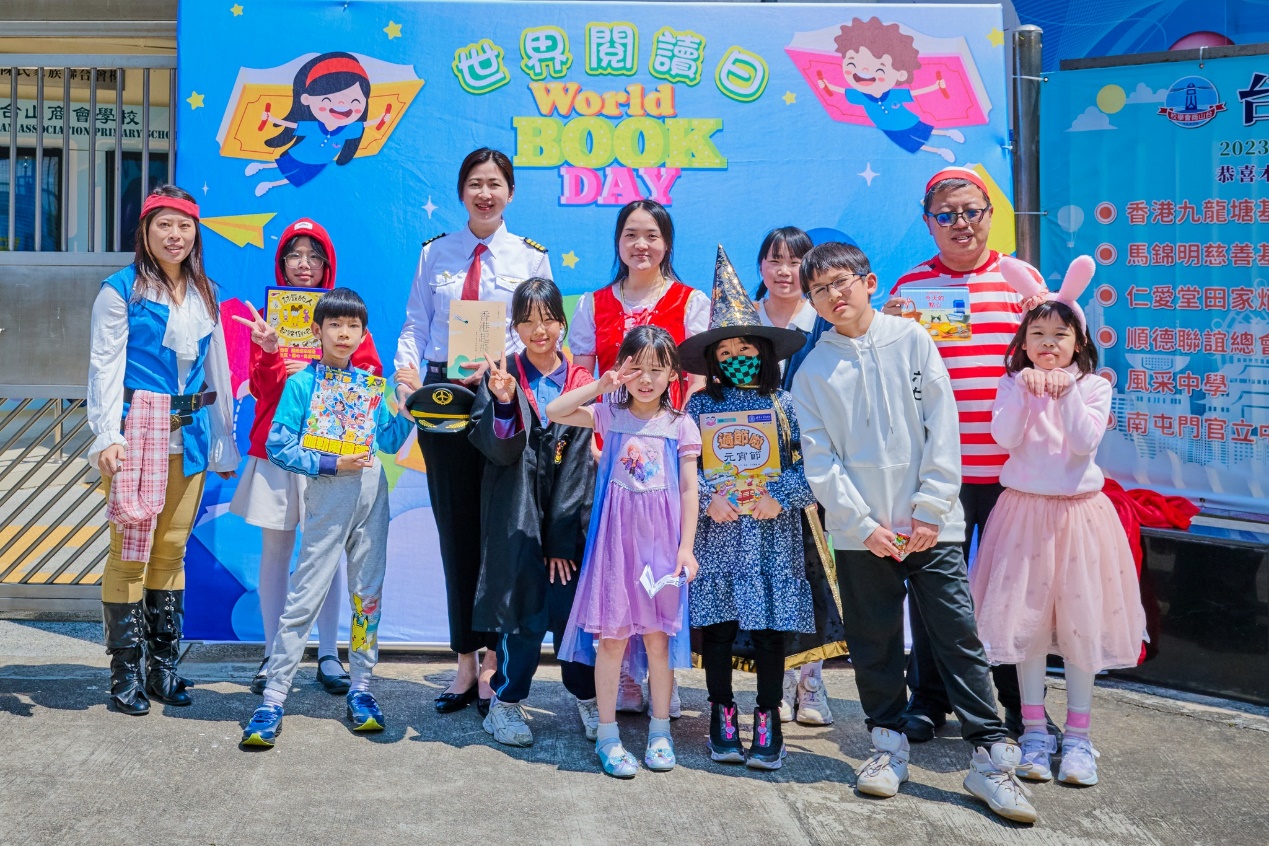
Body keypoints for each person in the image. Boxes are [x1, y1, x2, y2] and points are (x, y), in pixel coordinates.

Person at [791, 242, 1037, 824]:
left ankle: (989, 759)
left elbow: (941, 425)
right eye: (820, 289)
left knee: (957, 636)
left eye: (842, 281)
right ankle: (886, 747)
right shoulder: (812, 370)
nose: (834, 295)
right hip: (862, 535)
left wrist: (930, 508)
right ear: (812, 303)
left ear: (868, 282)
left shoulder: (913, 339)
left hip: (933, 527)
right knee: (873, 642)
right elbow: (821, 462)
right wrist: (863, 526)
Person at [970, 256, 1146, 787]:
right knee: (1023, 627)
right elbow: (1005, 438)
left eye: (1059, 335)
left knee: (1079, 626)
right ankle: (1033, 733)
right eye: (1038, 335)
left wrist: (1065, 393)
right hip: (1022, 513)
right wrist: (1026, 395)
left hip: (1078, 517)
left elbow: (1084, 442)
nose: (1048, 344)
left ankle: (1079, 738)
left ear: (1079, 342)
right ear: (1023, 342)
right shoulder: (1012, 383)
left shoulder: (1093, 386)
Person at [395, 148, 552, 716]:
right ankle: (464, 660)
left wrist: (507, 379)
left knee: (497, 533)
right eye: (475, 184)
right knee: (455, 531)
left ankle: (492, 660)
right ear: (462, 191)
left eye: (495, 184)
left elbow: (540, 331)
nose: (485, 194)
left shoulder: (531, 257)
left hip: (499, 394)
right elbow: (415, 324)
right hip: (442, 397)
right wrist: (405, 376)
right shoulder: (434, 252)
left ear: (510, 192)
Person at [885, 166, 1037, 741]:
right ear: (928, 223)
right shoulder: (910, 289)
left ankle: (1020, 705)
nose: (961, 224)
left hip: (1012, 472)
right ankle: (928, 699)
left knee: (1012, 592)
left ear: (991, 215)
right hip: (937, 474)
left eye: (972, 211)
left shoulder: (1021, 282)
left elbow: (1055, 352)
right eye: (946, 215)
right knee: (932, 590)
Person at [88, 185, 240, 716]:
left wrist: (224, 441)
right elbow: (104, 366)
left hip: (190, 435)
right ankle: (124, 674)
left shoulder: (205, 292)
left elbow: (218, 369)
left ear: (196, 232)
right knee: (130, 553)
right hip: (137, 433)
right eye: (164, 225)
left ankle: (163, 668)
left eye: (184, 226)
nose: (175, 236)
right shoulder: (120, 291)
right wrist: (107, 435)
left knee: (172, 550)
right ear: (146, 231)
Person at [240, 288, 414, 747]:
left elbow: (389, 441)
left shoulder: (371, 385)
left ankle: (362, 688)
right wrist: (331, 464)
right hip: (327, 499)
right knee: (304, 597)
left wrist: (409, 406)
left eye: (353, 326)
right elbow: (279, 446)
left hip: (372, 500)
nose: (344, 333)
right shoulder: (302, 384)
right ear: (316, 331)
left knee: (367, 597)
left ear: (363, 333)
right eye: (335, 324)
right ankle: (273, 698)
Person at [230, 218, 383, 695]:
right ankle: (272, 653)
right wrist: (272, 355)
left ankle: (330, 653)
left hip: (333, 453)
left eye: (314, 256)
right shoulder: (266, 318)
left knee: (327, 552)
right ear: (282, 262)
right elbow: (261, 388)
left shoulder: (343, 317)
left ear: (327, 265)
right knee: (276, 551)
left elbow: (371, 380)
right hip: (276, 451)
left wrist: (321, 370)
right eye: (295, 254)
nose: (304, 264)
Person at [567, 199, 708, 715]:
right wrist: (600, 433)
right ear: (618, 242)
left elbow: (699, 380)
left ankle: (660, 678)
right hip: (609, 453)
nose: (641, 245)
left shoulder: (692, 302)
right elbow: (581, 373)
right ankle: (623, 675)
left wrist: (675, 433)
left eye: (651, 235)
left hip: (669, 452)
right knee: (617, 569)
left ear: (666, 243)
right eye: (630, 234)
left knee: (661, 565)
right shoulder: (594, 303)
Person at [679, 247, 815, 770]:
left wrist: (780, 495)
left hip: (770, 536)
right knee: (717, 628)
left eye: (746, 347)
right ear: (712, 360)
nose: (737, 355)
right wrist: (707, 496)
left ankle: (768, 715)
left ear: (764, 352)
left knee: (768, 631)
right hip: (718, 534)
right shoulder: (699, 406)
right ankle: (721, 710)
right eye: (726, 349)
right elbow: (682, 466)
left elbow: (812, 468)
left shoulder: (784, 406)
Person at [550, 326, 701, 778]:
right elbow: (554, 410)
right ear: (623, 369)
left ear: (673, 374)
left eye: (658, 369)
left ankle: (660, 732)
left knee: (658, 639)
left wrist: (686, 548)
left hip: (662, 549)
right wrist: (601, 384)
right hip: (615, 548)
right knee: (612, 639)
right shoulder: (609, 414)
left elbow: (689, 489)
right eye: (637, 369)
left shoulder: (681, 424)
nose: (647, 379)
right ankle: (608, 736)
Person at [468, 278, 599, 747]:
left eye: (547, 319)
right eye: (526, 321)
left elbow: (580, 466)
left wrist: (561, 540)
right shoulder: (503, 378)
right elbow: (498, 452)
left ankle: (589, 698)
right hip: (515, 513)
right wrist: (504, 402)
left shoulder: (580, 383)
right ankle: (504, 704)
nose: (538, 330)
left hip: (569, 521)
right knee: (520, 615)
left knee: (573, 617)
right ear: (515, 327)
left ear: (562, 322)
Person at [752, 225, 845, 727]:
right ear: (761, 267)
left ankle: (812, 680)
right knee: (775, 578)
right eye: (775, 260)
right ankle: (780, 679)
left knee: (819, 577)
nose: (784, 271)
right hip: (757, 473)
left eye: (795, 261)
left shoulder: (827, 320)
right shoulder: (743, 319)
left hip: (819, 464)